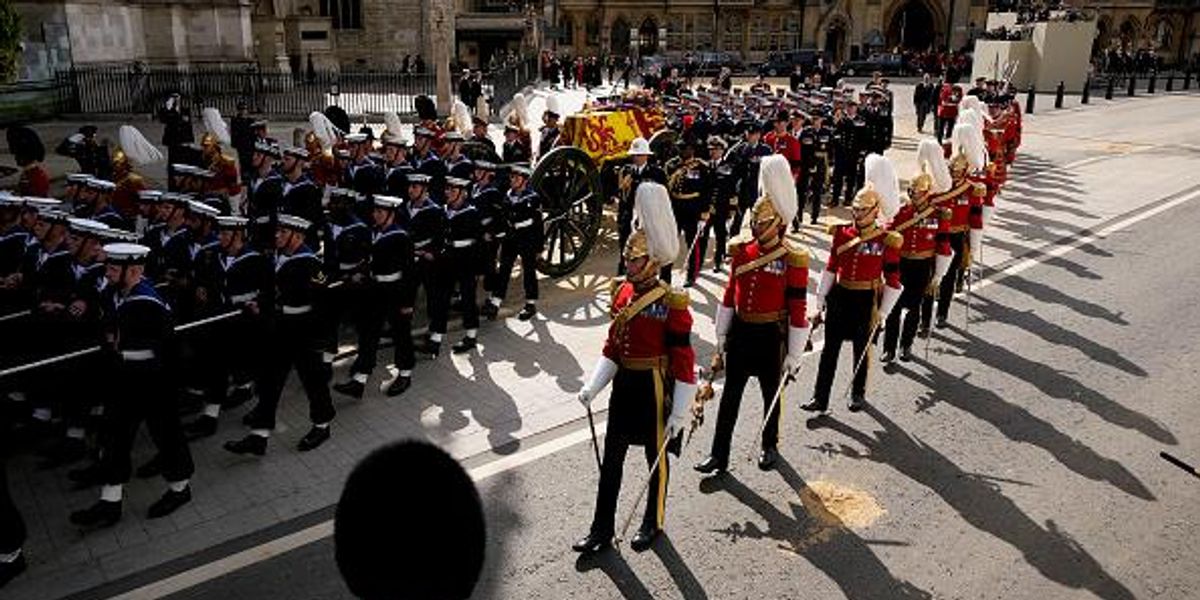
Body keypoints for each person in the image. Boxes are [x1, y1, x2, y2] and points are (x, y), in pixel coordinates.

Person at [573, 182, 695, 555]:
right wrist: (593, 386)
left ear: (652, 262)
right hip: (624, 384)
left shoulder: (671, 301)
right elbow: (613, 347)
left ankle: (653, 521)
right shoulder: (621, 292)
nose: (628, 265)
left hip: (654, 386)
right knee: (611, 459)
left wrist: (680, 411)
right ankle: (601, 528)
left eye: (635, 261)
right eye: (627, 260)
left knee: (655, 458)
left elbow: (684, 361)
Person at [695, 155, 809, 474]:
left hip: (771, 336)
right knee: (730, 397)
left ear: (777, 223)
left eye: (762, 223)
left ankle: (769, 444)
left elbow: (798, 307)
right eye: (755, 222)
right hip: (741, 333)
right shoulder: (742, 251)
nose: (756, 227)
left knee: (771, 394)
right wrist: (721, 333)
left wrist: (795, 353)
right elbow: (730, 293)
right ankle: (718, 455)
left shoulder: (791, 258)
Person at [69, 242, 195, 527]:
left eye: (115, 269)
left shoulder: (147, 304)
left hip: (153, 380)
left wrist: (123, 355)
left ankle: (180, 488)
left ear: (135, 271)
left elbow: (170, 349)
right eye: (109, 267)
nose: (108, 273)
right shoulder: (113, 293)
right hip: (124, 379)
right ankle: (110, 502)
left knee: (166, 434)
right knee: (115, 436)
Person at [224, 214, 334, 456]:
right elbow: (273, 291)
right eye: (278, 231)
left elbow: (324, 302)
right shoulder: (279, 256)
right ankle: (259, 435)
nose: (277, 235)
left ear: (298, 236)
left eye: (283, 232)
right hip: (280, 329)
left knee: (313, 382)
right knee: (269, 381)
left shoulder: (311, 264)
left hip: (303, 332)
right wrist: (260, 304)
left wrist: (320, 339)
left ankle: (322, 425)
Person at [803, 155, 903, 414]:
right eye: (855, 209)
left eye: (862, 210)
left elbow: (893, 280)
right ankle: (820, 397)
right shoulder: (842, 233)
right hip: (840, 295)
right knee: (830, 350)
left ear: (875, 211)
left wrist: (883, 313)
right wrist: (820, 300)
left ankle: (858, 393)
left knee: (861, 349)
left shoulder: (886, 240)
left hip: (866, 299)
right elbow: (831, 267)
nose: (857, 214)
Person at [183, 215, 269, 439]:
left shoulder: (255, 260)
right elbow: (199, 279)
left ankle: (247, 397)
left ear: (238, 236)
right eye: (220, 232)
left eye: (225, 234)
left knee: (241, 365)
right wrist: (199, 288)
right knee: (215, 367)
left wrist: (255, 304)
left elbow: (267, 292)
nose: (220, 237)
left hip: (242, 325)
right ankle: (210, 416)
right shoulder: (211, 255)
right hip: (215, 323)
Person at [332, 194, 416, 399]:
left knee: (401, 333)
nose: (375, 215)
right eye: (375, 211)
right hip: (375, 290)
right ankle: (360, 379)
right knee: (369, 333)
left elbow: (409, 272)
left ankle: (405, 373)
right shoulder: (376, 232)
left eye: (380, 212)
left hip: (395, 291)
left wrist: (407, 302)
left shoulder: (400, 236)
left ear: (391, 215)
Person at [881, 143, 953, 363]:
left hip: (923, 265)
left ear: (927, 193)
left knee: (914, 307)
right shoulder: (902, 212)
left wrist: (939, 274)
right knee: (893, 308)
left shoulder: (938, 215)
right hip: (901, 263)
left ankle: (906, 345)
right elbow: (888, 231)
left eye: (918, 192)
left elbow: (943, 244)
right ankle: (889, 348)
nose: (913, 195)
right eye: (911, 191)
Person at [484, 165, 541, 321]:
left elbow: (537, 225)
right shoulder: (508, 196)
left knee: (529, 272)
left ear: (525, 180)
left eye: (516, 177)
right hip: (511, 240)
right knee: (504, 270)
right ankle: (496, 302)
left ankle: (530, 303)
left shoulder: (532, 198)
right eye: (511, 177)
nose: (512, 180)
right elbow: (502, 218)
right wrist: (495, 232)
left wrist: (539, 247)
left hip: (527, 240)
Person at [432, 177, 482, 353]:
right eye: (447, 189)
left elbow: (478, 242)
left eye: (453, 190)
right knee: (441, 298)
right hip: (447, 260)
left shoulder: (471, 213)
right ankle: (436, 338)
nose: (448, 193)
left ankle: (471, 336)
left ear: (463, 194)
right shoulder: (443, 211)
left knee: (468, 299)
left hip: (466, 260)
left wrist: (478, 268)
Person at [614, 137, 666, 275]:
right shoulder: (626, 171)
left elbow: (663, 200)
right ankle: (623, 276)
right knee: (625, 249)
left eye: (640, 155)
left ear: (647, 156)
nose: (636, 158)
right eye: (634, 155)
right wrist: (621, 218)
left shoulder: (657, 173)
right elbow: (622, 198)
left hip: (647, 219)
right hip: (629, 216)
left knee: (645, 253)